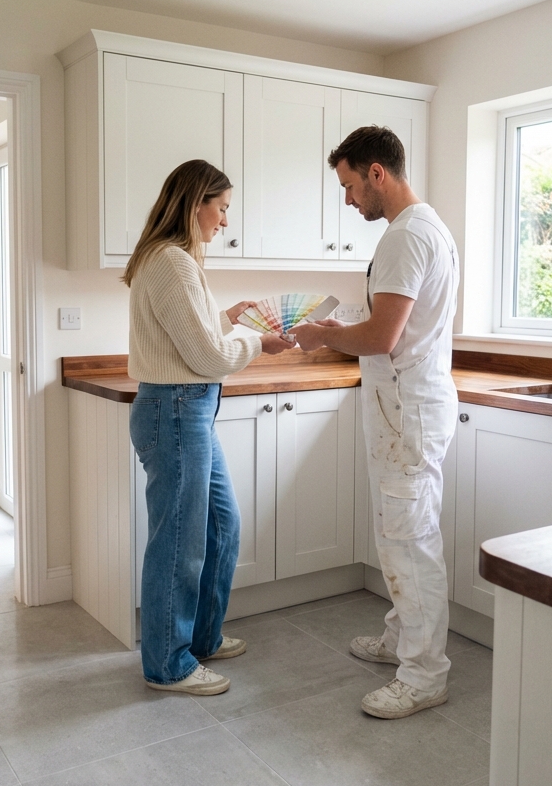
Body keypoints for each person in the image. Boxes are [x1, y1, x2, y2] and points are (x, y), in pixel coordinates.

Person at [291, 126, 459, 719]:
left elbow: (384, 337)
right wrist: (343, 334)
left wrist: (321, 338)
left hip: (406, 411)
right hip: (407, 406)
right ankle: (400, 638)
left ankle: (424, 674)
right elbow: (393, 328)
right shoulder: (425, 228)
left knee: (410, 541)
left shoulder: (405, 237)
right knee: (398, 532)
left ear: (377, 173)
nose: (347, 199)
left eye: (349, 185)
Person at [124, 158, 294, 696]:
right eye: (220, 208)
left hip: (184, 409)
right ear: (195, 203)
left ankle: (199, 638)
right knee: (178, 542)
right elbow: (207, 356)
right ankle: (167, 665)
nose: (224, 220)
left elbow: (187, 336)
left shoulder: (167, 259)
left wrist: (227, 319)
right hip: (176, 410)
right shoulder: (171, 262)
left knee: (222, 525)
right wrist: (259, 342)